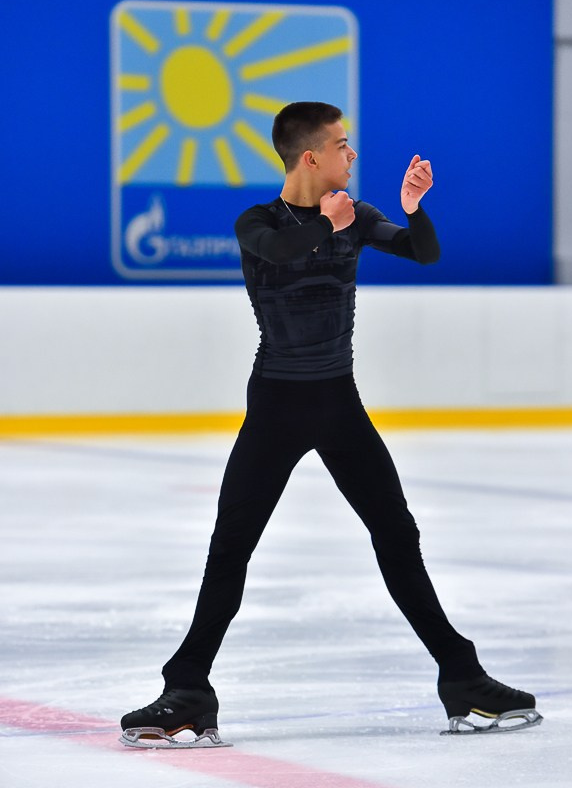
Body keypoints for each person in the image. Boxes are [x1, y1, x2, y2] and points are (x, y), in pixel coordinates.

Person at [120, 102, 541, 746]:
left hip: (338, 403)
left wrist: (413, 209)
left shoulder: (357, 216)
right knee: (231, 547)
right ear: (311, 156)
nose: (353, 154)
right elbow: (281, 250)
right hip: (277, 407)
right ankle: (188, 690)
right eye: (343, 145)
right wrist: (327, 224)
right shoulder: (257, 221)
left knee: (397, 535)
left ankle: (462, 676)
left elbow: (423, 253)